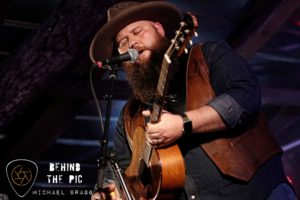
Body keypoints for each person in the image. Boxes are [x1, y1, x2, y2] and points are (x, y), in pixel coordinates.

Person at [89, 1, 297, 200]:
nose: (132, 42)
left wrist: (183, 123)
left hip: (258, 193)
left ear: (159, 29)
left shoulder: (209, 55)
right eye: (123, 42)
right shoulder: (129, 114)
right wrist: (109, 190)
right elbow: (119, 165)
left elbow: (245, 96)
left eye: (137, 31)